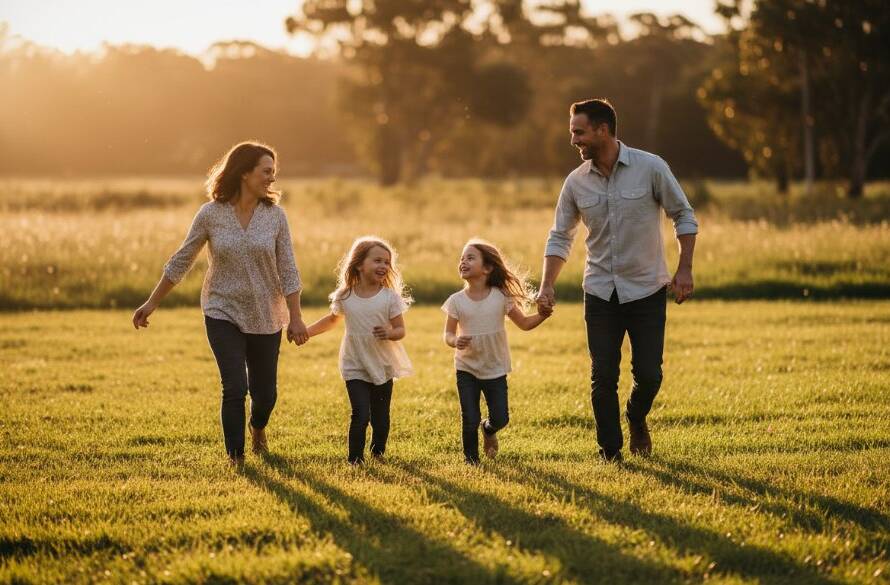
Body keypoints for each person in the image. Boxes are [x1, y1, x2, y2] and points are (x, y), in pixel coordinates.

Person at [536, 98, 698, 462]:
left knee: (649, 375)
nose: (574, 140)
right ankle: (610, 451)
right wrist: (547, 284)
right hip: (599, 292)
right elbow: (560, 236)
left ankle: (636, 416)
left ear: (602, 130)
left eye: (579, 132)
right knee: (602, 376)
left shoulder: (651, 167)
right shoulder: (575, 183)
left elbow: (683, 216)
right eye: (572, 132)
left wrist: (684, 268)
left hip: (646, 289)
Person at [132, 141, 309, 468]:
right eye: (266, 171)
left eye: (274, 172)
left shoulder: (275, 217)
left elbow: (288, 268)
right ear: (244, 173)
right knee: (234, 387)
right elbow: (182, 260)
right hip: (221, 310)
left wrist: (295, 318)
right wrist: (151, 303)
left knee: (265, 395)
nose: (272, 178)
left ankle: (257, 429)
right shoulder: (211, 214)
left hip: (267, 314)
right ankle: (236, 458)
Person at [303, 236, 412, 464]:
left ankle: (378, 453)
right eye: (377, 260)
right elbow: (332, 320)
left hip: (382, 363)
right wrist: (307, 332)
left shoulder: (389, 297)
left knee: (380, 418)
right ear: (360, 264)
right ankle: (355, 460)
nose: (383, 266)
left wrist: (389, 332)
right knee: (360, 414)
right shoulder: (346, 296)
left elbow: (400, 330)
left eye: (386, 262)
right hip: (354, 363)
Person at [442, 239, 550, 464]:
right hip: (466, 368)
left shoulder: (501, 297)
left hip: (495, 368)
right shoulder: (456, 301)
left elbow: (525, 324)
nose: (463, 261)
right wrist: (455, 341)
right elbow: (448, 334)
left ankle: (489, 429)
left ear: (488, 268)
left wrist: (542, 315)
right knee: (469, 418)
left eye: (470, 258)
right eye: (462, 258)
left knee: (501, 418)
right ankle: (471, 461)